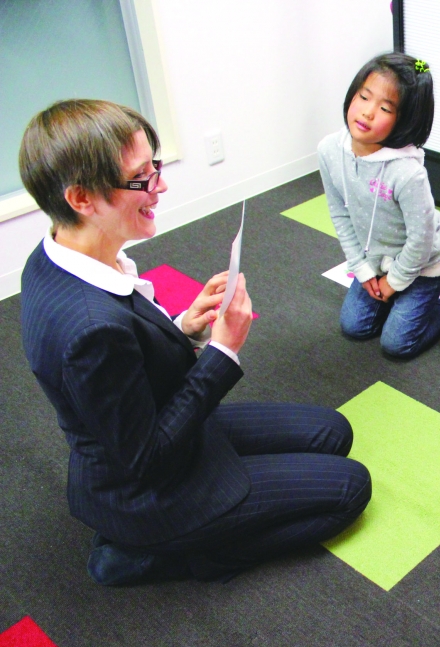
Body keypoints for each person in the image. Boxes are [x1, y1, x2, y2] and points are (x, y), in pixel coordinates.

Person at [19, 100, 371, 585]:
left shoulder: (60, 254)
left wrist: (185, 327)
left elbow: (125, 364)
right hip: (150, 489)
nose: (159, 186)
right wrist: (224, 351)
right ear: (81, 198)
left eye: (155, 167)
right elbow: (148, 457)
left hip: (154, 426)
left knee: (334, 432)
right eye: (141, 178)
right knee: (352, 489)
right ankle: (168, 556)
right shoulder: (87, 328)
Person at [318, 53, 440, 358]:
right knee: (354, 327)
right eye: (363, 97)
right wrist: (362, 269)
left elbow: (421, 240)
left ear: (404, 120)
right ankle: (400, 295)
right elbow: (339, 213)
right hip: (377, 257)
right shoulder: (329, 150)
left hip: (425, 262)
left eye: (384, 108)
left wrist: (395, 282)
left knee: (397, 344)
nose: (367, 112)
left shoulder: (407, 172)